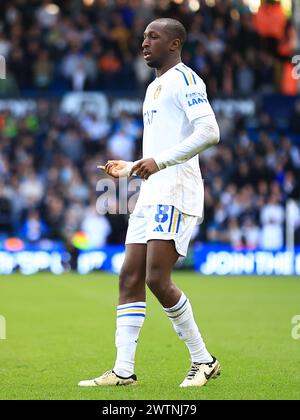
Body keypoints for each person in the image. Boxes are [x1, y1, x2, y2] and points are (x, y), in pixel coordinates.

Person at [79, 18, 220, 388]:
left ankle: (203, 359)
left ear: (174, 44)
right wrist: (130, 168)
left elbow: (210, 132)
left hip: (176, 190)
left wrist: (159, 162)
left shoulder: (187, 80)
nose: (144, 43)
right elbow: (159, 150)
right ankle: (124, 370)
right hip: (152, 191)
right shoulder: (154, 87)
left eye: (153, 37)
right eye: (143, 37)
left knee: (157, 278)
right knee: (129, 275)